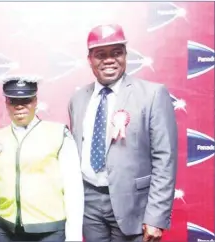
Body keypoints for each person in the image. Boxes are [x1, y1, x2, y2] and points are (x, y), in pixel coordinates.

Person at [67, 24, 178, 242]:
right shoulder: (78, 99)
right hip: (88, 204)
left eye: (116, 52)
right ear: (89, 59)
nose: (109, 60)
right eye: (100, 54)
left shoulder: (153, 95)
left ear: (126, 55)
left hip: (134, 206)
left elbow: (165, 159)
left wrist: (156, 217)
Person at [0, 75, 84, 241]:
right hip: (5, 229)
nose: (20, 106)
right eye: (13, 101)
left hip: (49, 231)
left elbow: (73, 190)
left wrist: (73, 237)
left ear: (36, 101)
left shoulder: (59, 134)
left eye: (26, 99)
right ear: (6, 103)